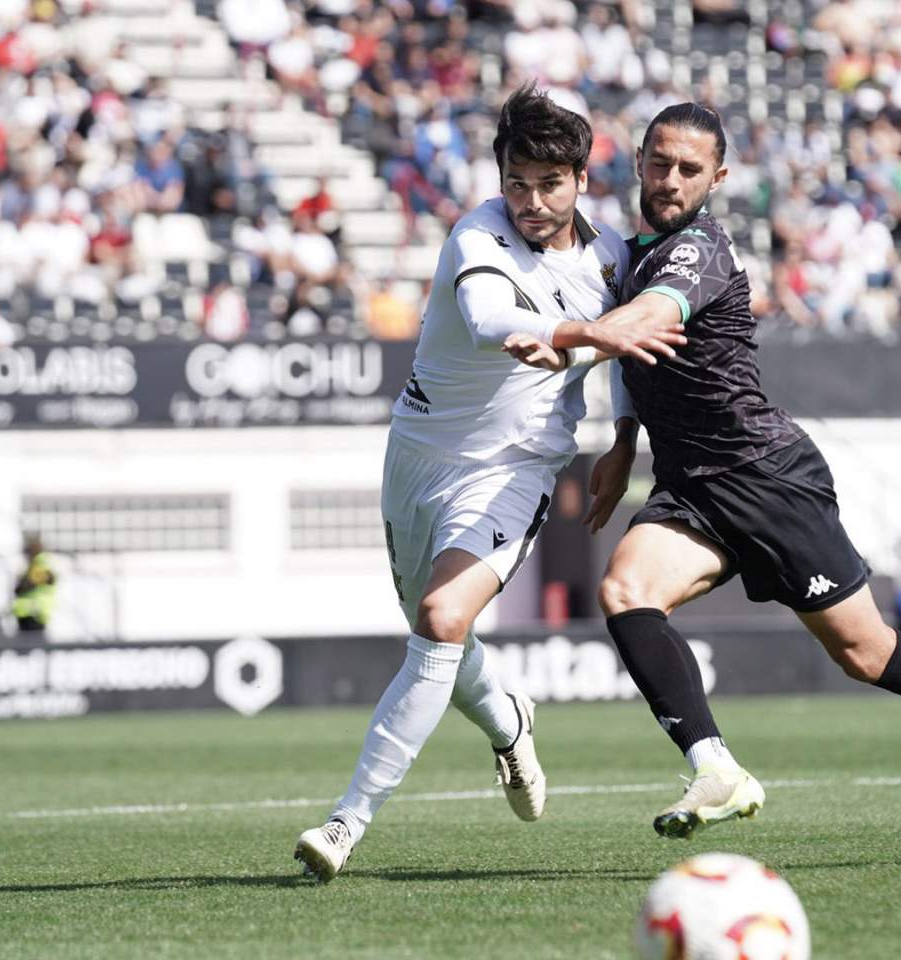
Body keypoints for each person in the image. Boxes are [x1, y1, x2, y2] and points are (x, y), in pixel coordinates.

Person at [511, 103, 901, 842]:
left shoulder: (696, 251)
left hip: (767, 477)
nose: (671, 180)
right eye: (660, 163)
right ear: (638, 160)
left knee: (865, 654)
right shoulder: (633, 249)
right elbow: (641, 359)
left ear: (717, 178)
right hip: (689, 485)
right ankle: (716, 768)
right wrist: (621, 441)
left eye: (689, 170)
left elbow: (646, 322)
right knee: (624, 589)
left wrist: (570, 343)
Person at [292, 86, 686, 883]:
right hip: (417, 457)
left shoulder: (611, 257)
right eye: (516, 182)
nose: (530, 202)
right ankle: (509, 722)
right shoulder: (479, 234)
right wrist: (587, 334)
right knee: (435, 629)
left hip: (516, 467)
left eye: (548, 183)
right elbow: (485, 321)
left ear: (580, 178)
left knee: (440, 618)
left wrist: (621, 440)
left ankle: (346, 821)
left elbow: (631, 358)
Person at [11, 534, 56, 634]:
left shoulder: (39, 567)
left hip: (35, 614)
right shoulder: (31, 567)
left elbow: (28, 585)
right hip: (26, 614)